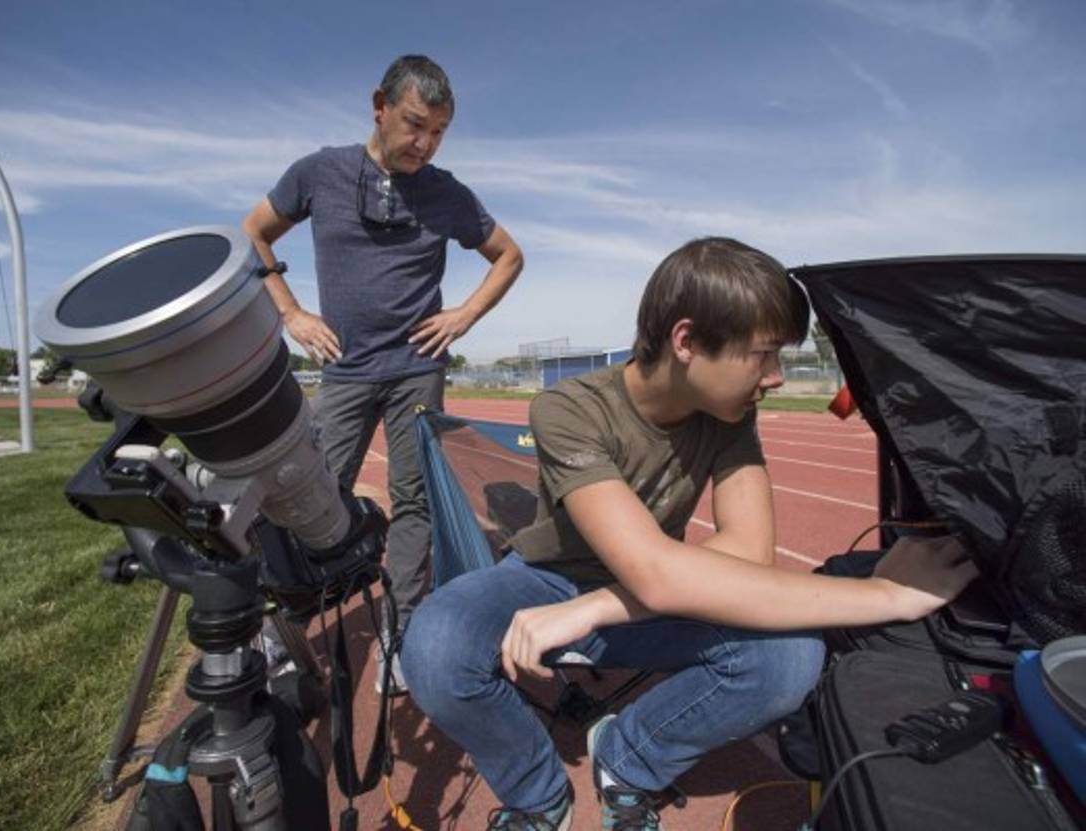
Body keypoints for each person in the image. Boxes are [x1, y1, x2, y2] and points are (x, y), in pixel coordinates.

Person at [400, 237, 978, 830]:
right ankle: (537, 794)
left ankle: (627, 759)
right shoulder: (568, 408)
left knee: (789, 658)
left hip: (642, 593)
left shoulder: (729, 414)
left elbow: (748, 552)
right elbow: (659, 573)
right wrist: (888, 595)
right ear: (687, 342)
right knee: (435, 646)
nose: (776, 377)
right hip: (547, 578)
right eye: (764, 355)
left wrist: (594, 607)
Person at [243, 55, 523, 694]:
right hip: (345, 368)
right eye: (415, 124)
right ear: (380, 106)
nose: (425, 143)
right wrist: (291, 313)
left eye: (439, 132)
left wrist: (465, 315)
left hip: (416, 369)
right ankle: (283, 622)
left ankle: (401, 627)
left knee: (414, 498)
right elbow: (254, 232)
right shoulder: (319, 172)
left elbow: (509, 255)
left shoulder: (448, 193)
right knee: (306, 491)